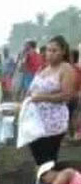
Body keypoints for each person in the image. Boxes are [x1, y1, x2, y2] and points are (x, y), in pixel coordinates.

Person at [26, 35, 75, 165]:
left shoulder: (66, 69)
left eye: (54, 51)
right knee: (37, 153)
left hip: (54, 122)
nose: (50, 54)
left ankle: (50, 182)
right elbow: (31, 91)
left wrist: (42, 97)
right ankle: (44, 181)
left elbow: (66, 96)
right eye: (48, 50)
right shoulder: (42, 69)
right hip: (36, 120)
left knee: (47, 157)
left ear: (63, 51)